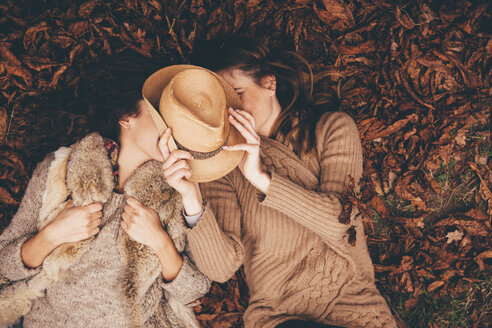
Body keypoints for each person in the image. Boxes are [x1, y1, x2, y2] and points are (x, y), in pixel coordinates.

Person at [156, 38, 398, 328]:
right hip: (281, 315)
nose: (231, 112)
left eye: (237, 93)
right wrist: (191, 197)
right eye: (222, 106)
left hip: (351, 304)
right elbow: (221, 268)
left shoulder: (332, 128)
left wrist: (261, 178)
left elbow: (342, 222)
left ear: (269, 84)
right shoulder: (223, 170)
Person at [0, 58, 210, 328]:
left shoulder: (178, 189)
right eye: (160, 118)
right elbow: (6, 266)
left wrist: (160, 241)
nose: (170, 132)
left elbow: (194, 290)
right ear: (126, 118)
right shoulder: (61, 170)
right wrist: (53, 234)